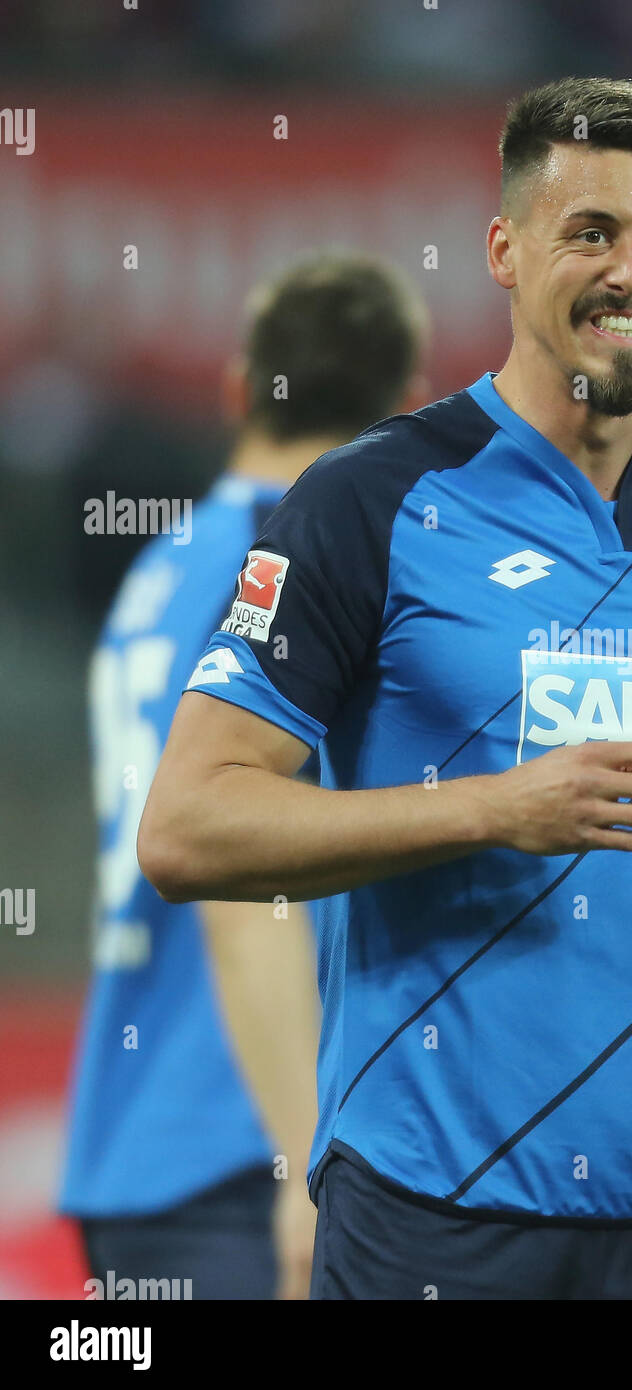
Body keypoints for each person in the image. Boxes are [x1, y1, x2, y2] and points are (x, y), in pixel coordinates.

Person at [139, 77, 632, 1301]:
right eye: (590, 232)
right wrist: (497, 807)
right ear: (504, 249)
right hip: (431, 1213)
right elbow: (186, 826)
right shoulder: (367, 505)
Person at [60, 252, 430, 1299]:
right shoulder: (287, 570)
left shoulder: (165, 561)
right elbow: (240, 883)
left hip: (141, 1130)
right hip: (244, 1132)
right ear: (405, 409)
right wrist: (306, 1159)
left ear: (236, 388)